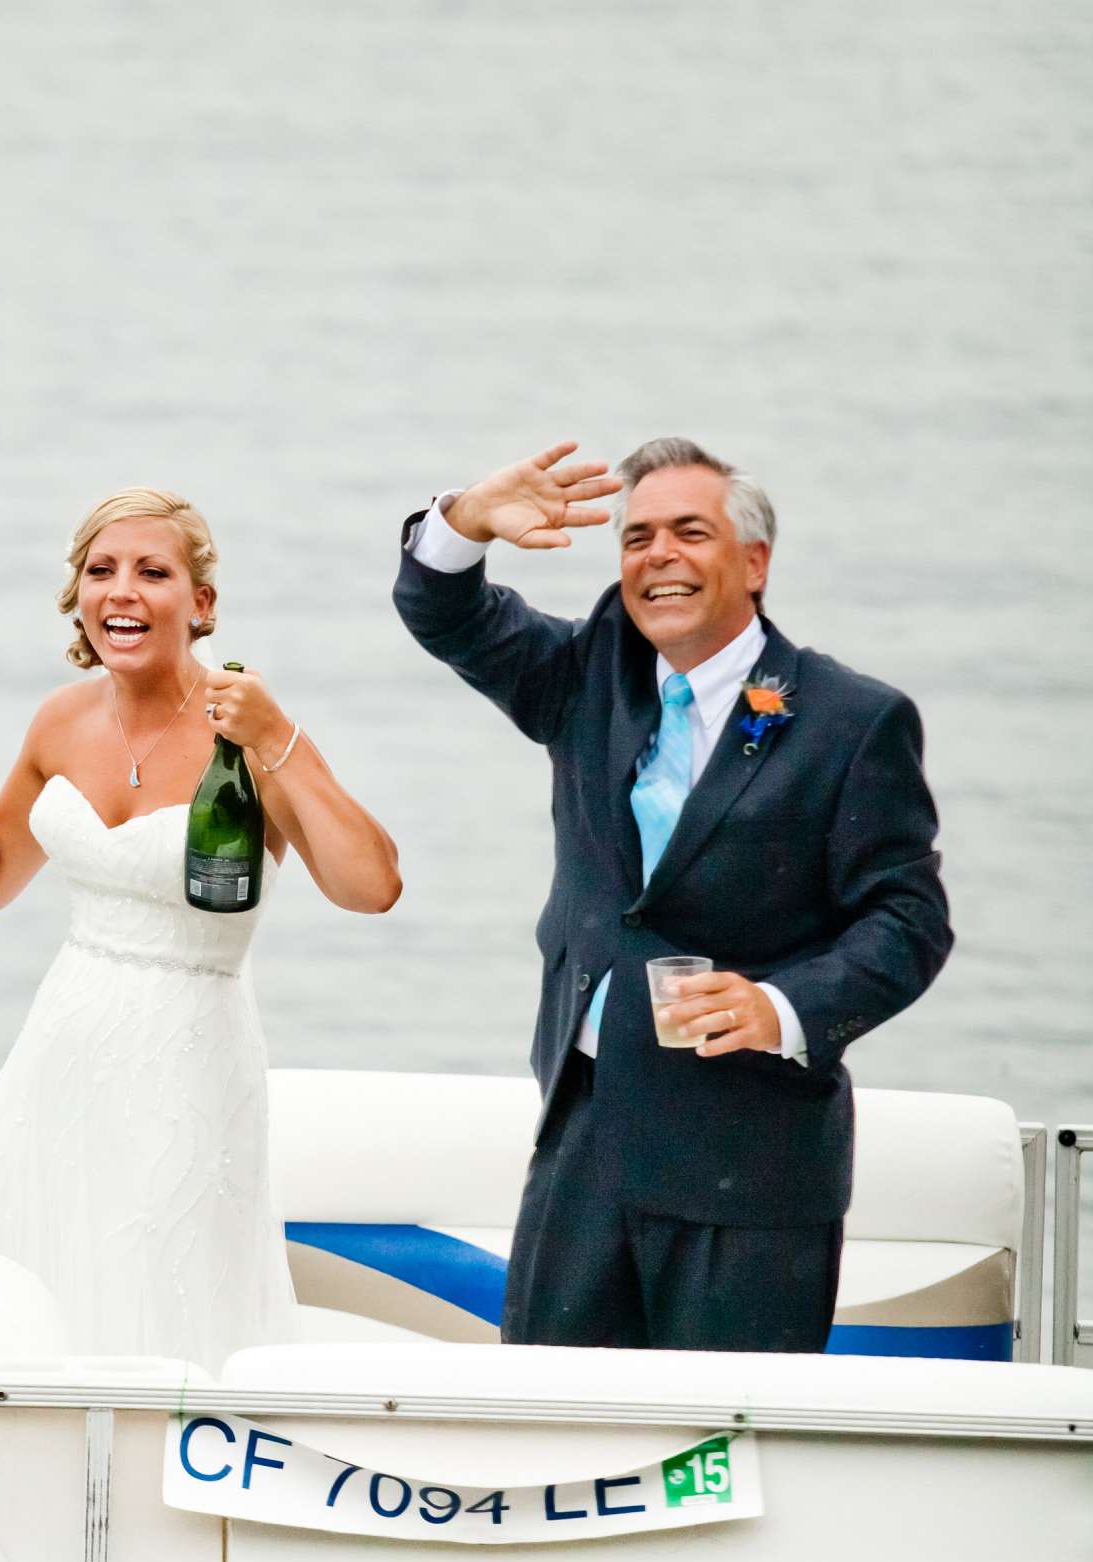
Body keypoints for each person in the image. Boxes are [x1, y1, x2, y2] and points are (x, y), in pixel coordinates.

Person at [392, 435, 953, 1353]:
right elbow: (444, 611)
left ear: (754, 563)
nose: (659, 556)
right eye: (638, 537)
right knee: (551, 1434)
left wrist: (781, 1007)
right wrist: (466, 520)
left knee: (730, 1453)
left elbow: (908, 919)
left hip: (752, 1161)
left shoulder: (850, 721)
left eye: (690, 533)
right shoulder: (586, 677)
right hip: (586, 1138)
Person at [0, 486, 400, 1372]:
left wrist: (283, 741)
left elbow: (371, 886)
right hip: (60, 1054)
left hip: (192, 1058)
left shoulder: (247, 728)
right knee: (44, 1277)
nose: (122, 590)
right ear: (78, 596)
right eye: (100, 570)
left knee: (162, 1286)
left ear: (201, 605)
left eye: (153, 572)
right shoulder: (60, 720)